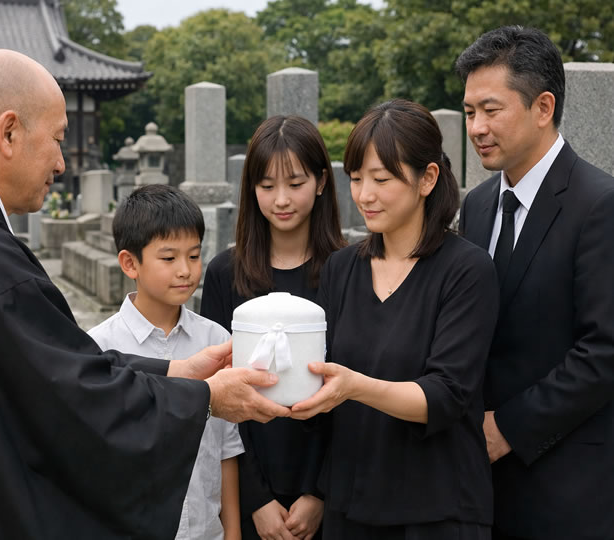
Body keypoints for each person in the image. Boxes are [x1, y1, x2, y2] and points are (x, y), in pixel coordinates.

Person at [0, 49, 291, 540]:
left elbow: (52, 365)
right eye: (57, 139)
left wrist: (176, 371)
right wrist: (202, 398)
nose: (61, 161)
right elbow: (69, 398)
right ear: (9, 132)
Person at [290, 99, 500, 539]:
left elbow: (445, 395)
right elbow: (317, 377)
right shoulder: (341, 269)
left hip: (438, 510)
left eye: (381, 179)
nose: (365, 195)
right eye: (356, 178)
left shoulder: (467, 270)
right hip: (352, 505)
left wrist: (354, 386)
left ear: (428, 178)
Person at [455, 26, 614, 540]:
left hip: (566, 483)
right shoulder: (476, 206)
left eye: (491, 109)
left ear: (543, 107)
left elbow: (604, 350)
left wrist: (508, 428)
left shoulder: (599, 204)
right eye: (469, 111)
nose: (476, 127)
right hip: (478, 485)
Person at [201, 115, 345, 540]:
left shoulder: (348, 272)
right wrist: (254, 499)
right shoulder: (224, 273)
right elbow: (215, 397)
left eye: (295, 183)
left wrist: (319, 492)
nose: (281, 199)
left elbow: (352, 393)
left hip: (327, 492)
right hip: (249, 488)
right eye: (266, 186)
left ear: (321, 182)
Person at [87, 184, 244, 540]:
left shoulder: (216, 341)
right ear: (130, 263)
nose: (186, 270)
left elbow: (227, 449)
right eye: (169, 258)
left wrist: (232, 533)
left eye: (194, 255)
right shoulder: (99, 348)